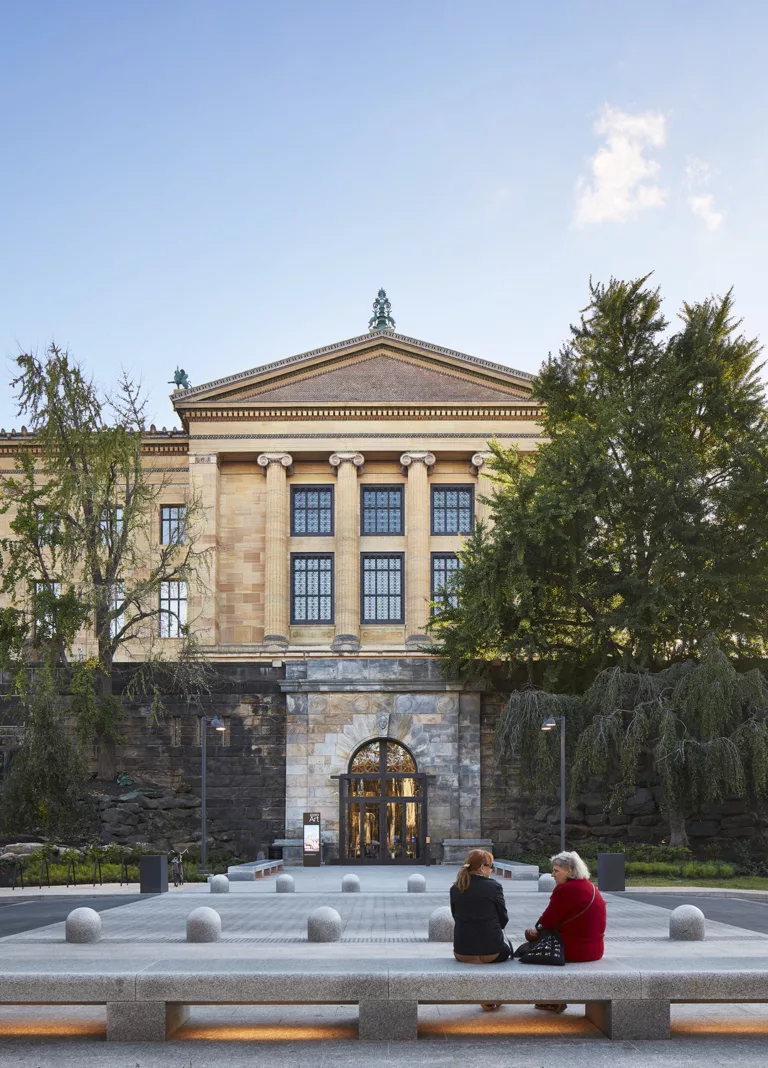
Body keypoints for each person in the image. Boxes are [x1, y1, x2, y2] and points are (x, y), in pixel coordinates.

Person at [519, 850, 607, 1013]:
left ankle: (551, 999)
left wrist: (534, 932)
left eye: (556, 870)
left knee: (525, 952)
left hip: (575, 950)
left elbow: (548, 921)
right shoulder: (591, 886)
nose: (552, 875)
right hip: (596, 949)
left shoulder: (566, 890)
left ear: (570, 871)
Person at [450, 849, 513, 964]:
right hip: (492, 952)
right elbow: (503, 918)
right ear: (482, 867)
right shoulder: (494, 887)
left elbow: (455, 916)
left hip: (462, 952)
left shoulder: (455, 888)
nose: (491, 869)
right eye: (490, 865)